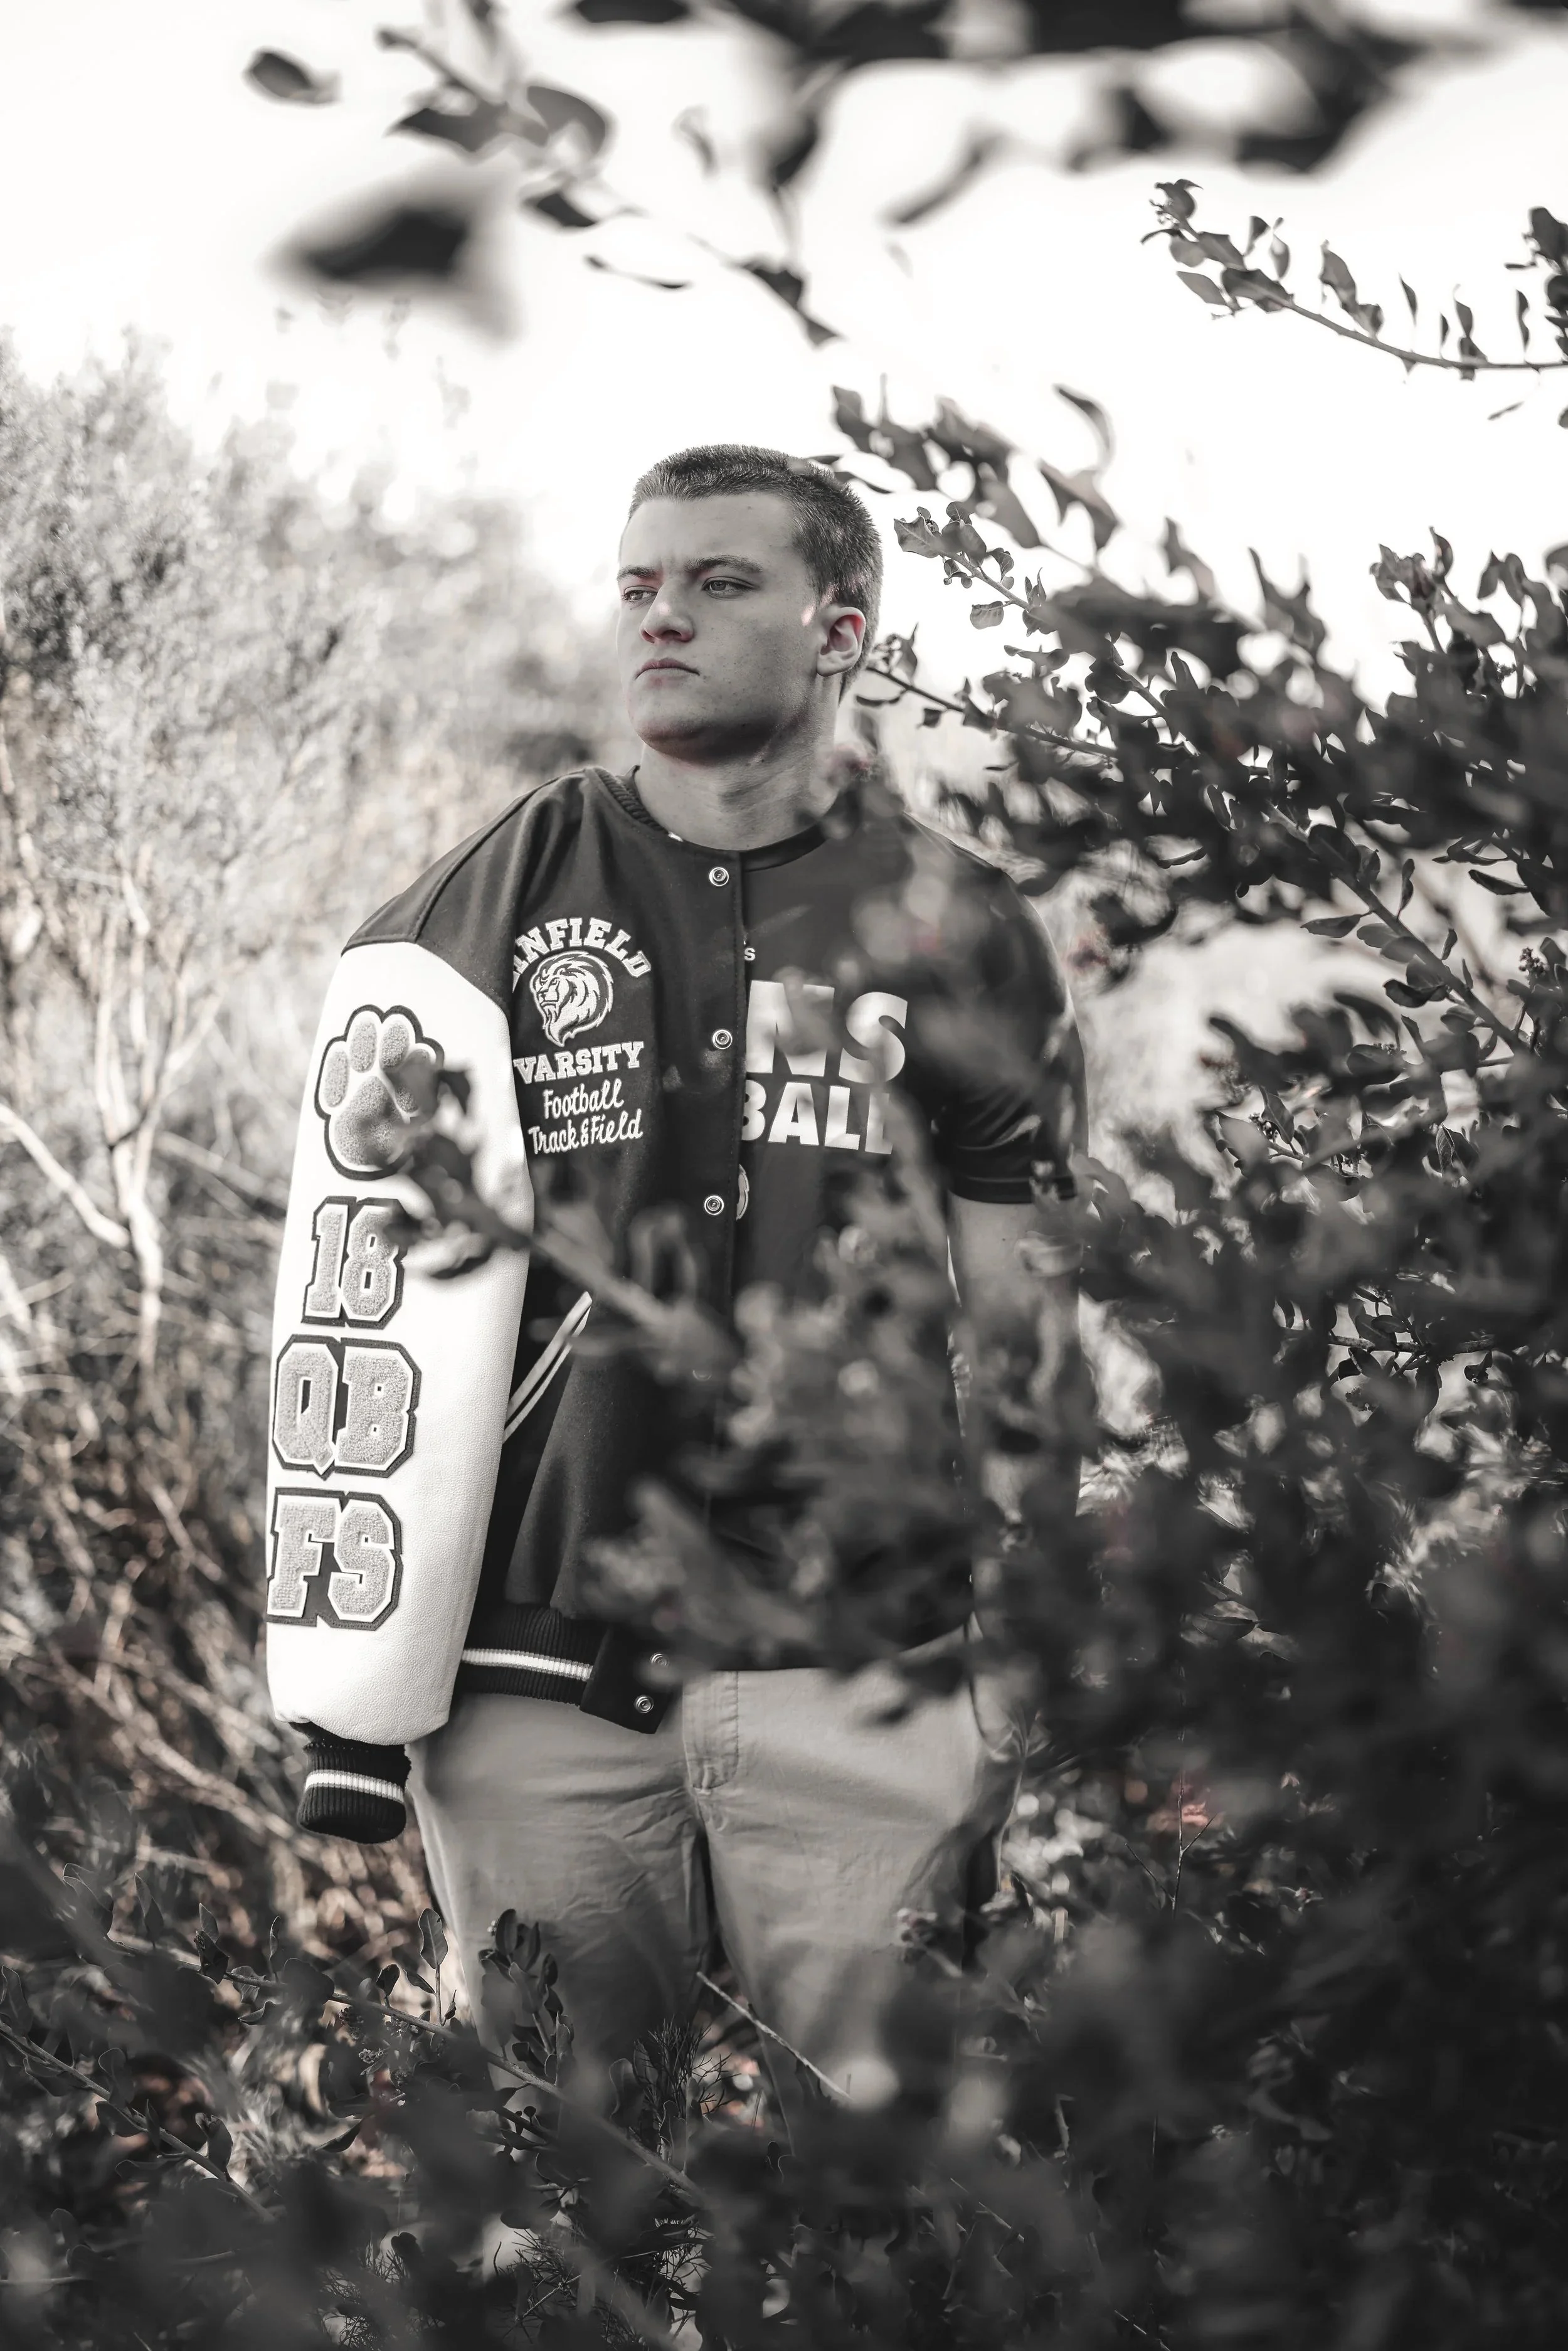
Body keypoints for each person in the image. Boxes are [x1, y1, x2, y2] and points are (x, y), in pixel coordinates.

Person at [263, 444, 1086, 2101]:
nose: (660, 619)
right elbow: (357, 1278)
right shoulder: (487, 900)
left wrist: (1029, 1642)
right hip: (537, 1675)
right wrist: (359, 1675)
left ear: (837, 629)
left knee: (904, 2202)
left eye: (718, 583)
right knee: (577, 2211)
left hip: (870, 1672)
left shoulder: (958, 924)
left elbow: (1026, 1315)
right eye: (639, 584)